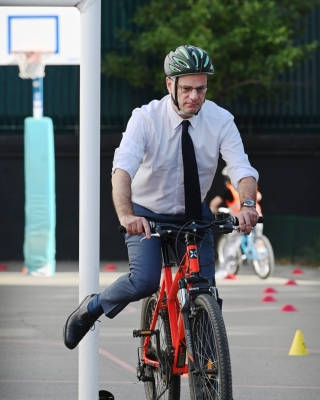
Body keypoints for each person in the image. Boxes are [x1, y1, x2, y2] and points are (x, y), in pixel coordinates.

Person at [63, 45, 259, 350]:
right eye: (187, 88)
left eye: (201, 88)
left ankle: (210, 374)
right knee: (145, 280)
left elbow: (242, 169)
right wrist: (127, 216)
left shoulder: (220, 120)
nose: (195, 96)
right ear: (170, 84)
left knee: (204, 290)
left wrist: (248, 204)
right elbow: (122, 171)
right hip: (147, 213)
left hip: (194, 215)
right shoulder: (145, 119)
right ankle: (92, 308)